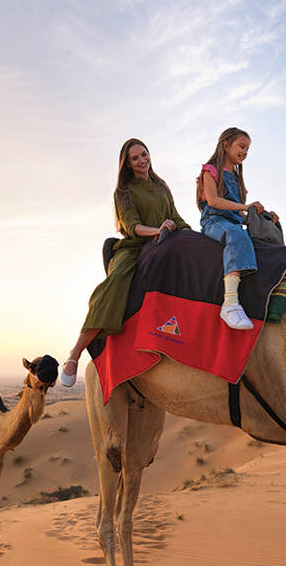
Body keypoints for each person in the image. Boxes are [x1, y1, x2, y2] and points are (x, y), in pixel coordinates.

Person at [60, 138, 190, 387]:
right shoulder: (124, 192)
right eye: (136, 158)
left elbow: (175, 216)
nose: (142, 160)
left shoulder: (161, 186)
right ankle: (75, 354)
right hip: (134, 247)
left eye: (144, 154)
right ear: (128, 165)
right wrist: (156, 230)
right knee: (115, 282)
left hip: (166, 240)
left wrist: (191, 234)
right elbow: (131, 226)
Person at [197, 127, 278, 330]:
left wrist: (262, 216)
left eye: (248, 149)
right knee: (236, 235)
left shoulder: (237, 178)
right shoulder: (210, 171)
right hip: (213, 221)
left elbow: (238, 214)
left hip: (232, 220)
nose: (245, 152)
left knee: (260, 236)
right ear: (226, 145)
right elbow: (214, 201)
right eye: (241, 146)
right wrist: (245, 207)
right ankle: (230, 302)